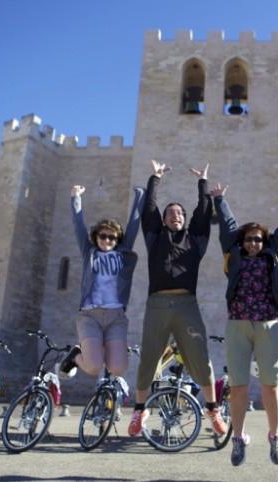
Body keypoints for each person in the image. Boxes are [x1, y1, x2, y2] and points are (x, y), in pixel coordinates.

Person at [128, 159, 227, 437]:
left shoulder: (196, 239)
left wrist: (203, 184)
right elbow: (148, 208)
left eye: (179, 213)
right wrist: (154, 179)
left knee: (201, 358)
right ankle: (139, 411)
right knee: (149, 358)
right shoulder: (154, 237)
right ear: (163, 219)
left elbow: (203, 212)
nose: (175, 216)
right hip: (157, 305)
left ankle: (213, 410)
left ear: (184, 218)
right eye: (170, 213)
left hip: (187, 305)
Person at [212, 183, 278, 466]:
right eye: (248, 239)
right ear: (241, 242)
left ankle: (275, 437)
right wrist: (220, 199)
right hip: (238, 325)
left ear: (264, 242)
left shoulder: (273, 254)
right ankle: (238, 439)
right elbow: (228, 226)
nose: (253, 243)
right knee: (239, 386)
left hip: (268, 325)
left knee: (271, 385)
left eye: (257, 239)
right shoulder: (234, 255)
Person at [58, 184, 144, 382]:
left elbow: (134, 225)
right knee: (94, 367)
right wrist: (75, 197)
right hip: (90, 315)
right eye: (103, 236)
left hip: (116, 317)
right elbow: (78, 224)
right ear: (96, 238)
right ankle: (75, 356)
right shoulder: (89, 252)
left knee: (118, 368)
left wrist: (141, 195)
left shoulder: (123, 252)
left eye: (112, 237)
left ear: (117, 239)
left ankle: (96, 351)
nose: (107, 240)